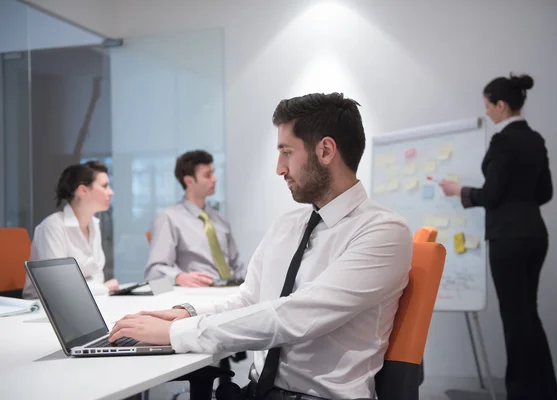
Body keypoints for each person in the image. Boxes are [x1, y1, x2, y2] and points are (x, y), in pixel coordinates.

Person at [109, 93, 413, 399]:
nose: (279, 168)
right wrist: (186, 314)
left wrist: (179, 334)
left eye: (286, 152)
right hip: (258, 391)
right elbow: (248, 299)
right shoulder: (287, 225)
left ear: (325, 150)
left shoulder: (383, 232)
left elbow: (294, 317)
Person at [439, 74, 557, 400]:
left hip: (508, 238)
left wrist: (458, 191)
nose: (488, 113)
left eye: (489, 107)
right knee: (527, 314)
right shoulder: (535, 139)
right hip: (536, 235)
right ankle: (545, 392)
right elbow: (545, 192)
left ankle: (520, 393)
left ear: (502, 105)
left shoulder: (503, 142)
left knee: (515, 318)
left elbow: (491, 196)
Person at [144, 150, 246, 287]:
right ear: (189, 180)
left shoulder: (221, 220)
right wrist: (178, 277)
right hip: (198, 294)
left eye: (213, 173)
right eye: (207, 175)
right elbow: (154, 271)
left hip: (232, 291)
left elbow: (237, 265)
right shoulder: (169, 219)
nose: (214, 179)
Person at [23, 161, 119, 299]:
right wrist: (102, 288)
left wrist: (100, 289)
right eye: (104, 186)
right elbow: (57, 288)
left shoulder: (94, 225)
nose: (111, 192)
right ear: (83, 190)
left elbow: (97, 277)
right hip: (42, 310)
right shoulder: (52, 227)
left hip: (86, 302)